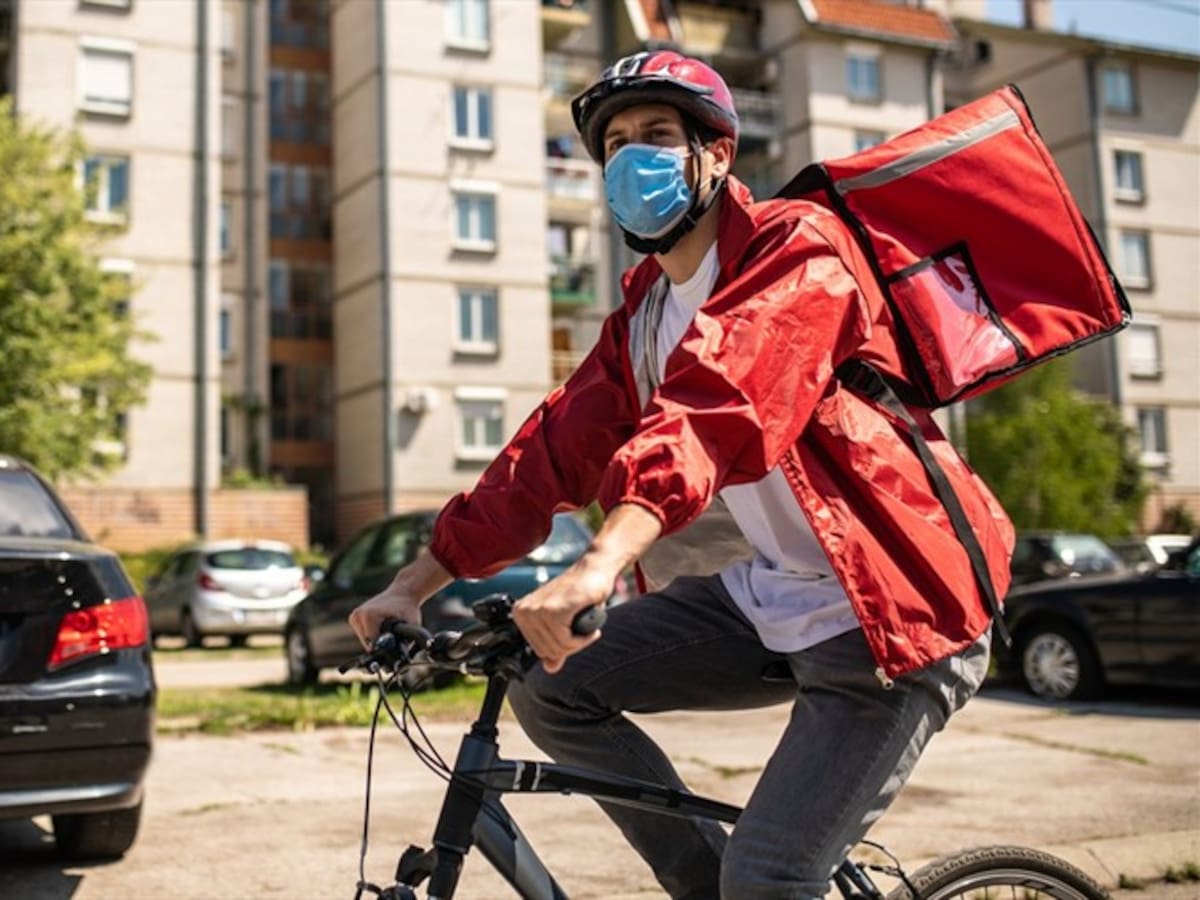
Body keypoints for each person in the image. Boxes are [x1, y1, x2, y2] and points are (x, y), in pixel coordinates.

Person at [349, 50, 1014, 900]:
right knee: (553, 690)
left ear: (717, 154)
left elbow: (718, 404)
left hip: (897, 608)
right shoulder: (646, 314)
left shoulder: (798, 249)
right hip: (775, 596)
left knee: (769, 875)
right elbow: (546, 454)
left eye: (657, 135)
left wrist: (598, 564)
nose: (633, 157)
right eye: (616, 142)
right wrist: (413, 583)